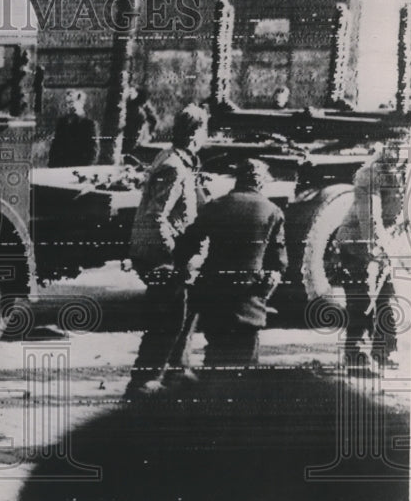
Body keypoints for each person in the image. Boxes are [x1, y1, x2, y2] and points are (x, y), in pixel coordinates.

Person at [124, 103, 210, 397]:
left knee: (181, 317)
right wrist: (174, 257)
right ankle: (142, 384)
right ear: (196, 133)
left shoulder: (178, 161)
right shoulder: (174, 166)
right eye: (205, 130)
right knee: (167, 322)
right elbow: (155, 217)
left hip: (163, 255)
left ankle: (174, 375)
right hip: (160, 258)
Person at [178, 159, 288, 367]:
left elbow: (189, 242)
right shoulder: (273, 212)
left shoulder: (216, 205)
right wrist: (265, 291)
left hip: (214, 292)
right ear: (261, 183)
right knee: (245, 358)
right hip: (249, 297)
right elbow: (279, 263)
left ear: (237, 179)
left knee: (215, 353)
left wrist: (184, 271)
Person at [336, 144, 407, 376]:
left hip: (383, 242)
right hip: (357, 243)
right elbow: (370, 218)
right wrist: (378, 249)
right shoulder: (369, 174)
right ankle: (357, 357)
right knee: (362, 299)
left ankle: (384, 351)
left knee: (386, 297)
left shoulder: (406, 172)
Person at [48, 89, 99, 168]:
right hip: (61, 168)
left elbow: (92, 152)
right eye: (68, 103)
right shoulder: (62, 122)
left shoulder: (89, 124)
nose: (70, 106)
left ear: (81, 103)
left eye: (73, 102)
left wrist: (83, 169)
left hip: (80, 167)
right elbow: (55, 148)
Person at [120, 85, 159, 155]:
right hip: (129, 136)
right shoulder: (130, 105)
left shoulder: (144, 106)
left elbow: (154, 120)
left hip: (137, 137)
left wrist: (151, 133)